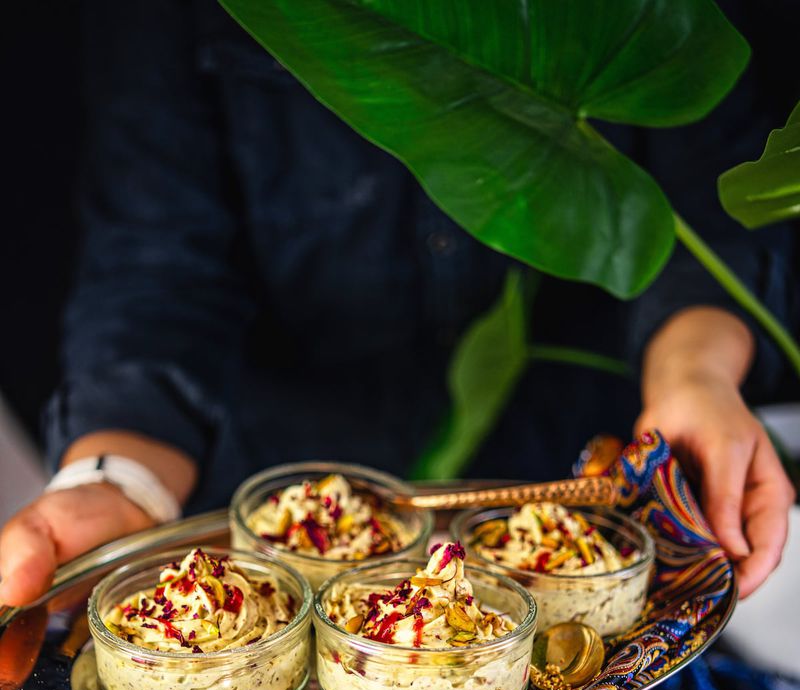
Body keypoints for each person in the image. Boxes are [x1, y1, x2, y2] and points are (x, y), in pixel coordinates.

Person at [0, 1, 795, 609]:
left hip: (576, 499)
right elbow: (155, 264)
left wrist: (695, 379)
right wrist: (117, 483)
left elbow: (715, 200)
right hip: (268, 525)